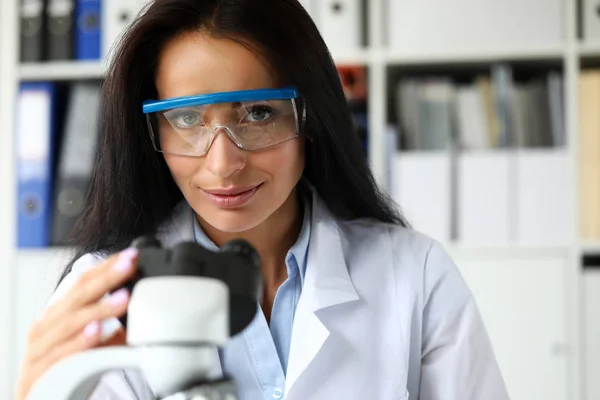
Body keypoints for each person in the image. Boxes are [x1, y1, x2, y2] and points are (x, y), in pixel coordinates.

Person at [15, 0, 510, 399]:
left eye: (257, 113)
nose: (223, 163)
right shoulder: (106, 294)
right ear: (150, 131)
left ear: (309, 117)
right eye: (187, 120)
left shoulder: (414, 275)